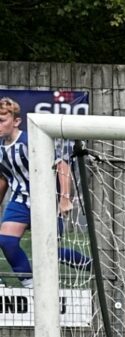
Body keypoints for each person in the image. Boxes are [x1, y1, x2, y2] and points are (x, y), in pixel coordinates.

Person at [0, 97, 91, 288]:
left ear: (16, 121)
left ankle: (92, 266)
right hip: (19, 201)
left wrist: (65, 199)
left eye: (2, 120)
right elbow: (3, 178)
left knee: (47, 252)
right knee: (6, 241)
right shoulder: (0, 148)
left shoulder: (30, 141)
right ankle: (30, 285)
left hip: (45, 202)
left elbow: (63, 167)